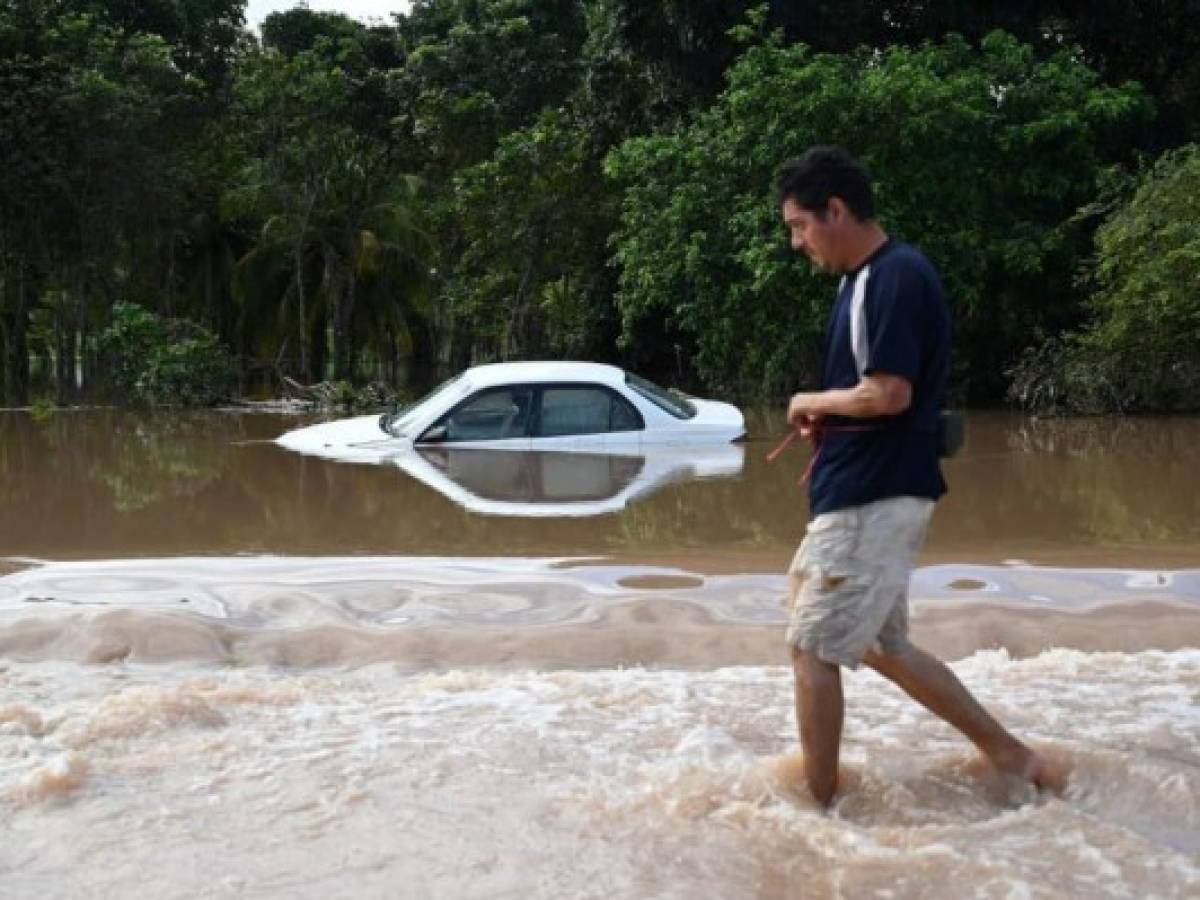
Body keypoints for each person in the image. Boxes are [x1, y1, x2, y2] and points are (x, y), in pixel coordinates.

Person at [776, 146, 1046, 806]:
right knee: (880, 643)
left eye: (799, 225)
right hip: (870, 485)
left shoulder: (890, 277)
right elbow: (874, 396)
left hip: (874, 492)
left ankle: (818, 806)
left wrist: (813, 401)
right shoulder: (865, 281)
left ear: (835, 210)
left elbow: (889, 394)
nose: (796, 242)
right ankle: (1013, 758)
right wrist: (832, 415)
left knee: (812, 647)